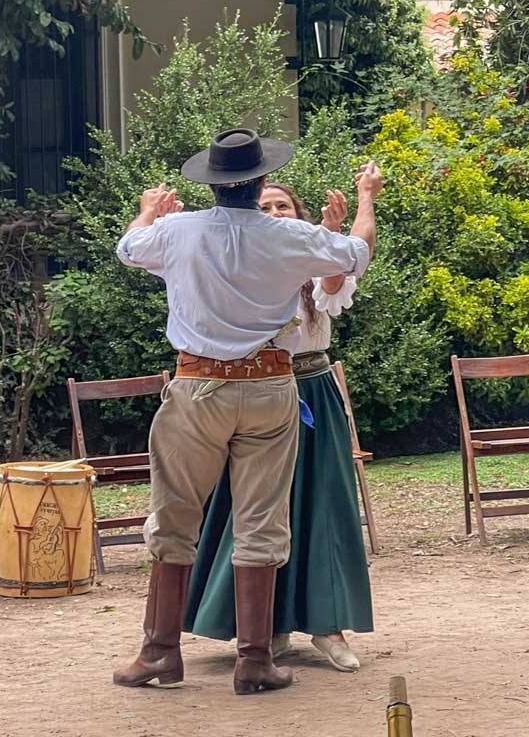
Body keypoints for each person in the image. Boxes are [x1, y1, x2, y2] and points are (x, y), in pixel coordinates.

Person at [112, 128, 380, 695]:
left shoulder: (178, 231)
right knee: (261, 520)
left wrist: (148, 211)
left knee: (175, 514)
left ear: (212, 183)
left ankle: (160, 651)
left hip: (198, 385)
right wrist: (365, 201)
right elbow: (358, 252)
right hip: (269, 385)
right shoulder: (290, 235)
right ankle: (254, 660)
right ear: (260, 183)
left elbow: (129, 248)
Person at [183, 177, 379, 673]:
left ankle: (327, 626)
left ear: (298, 213)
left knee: (323, 504)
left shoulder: (309, 253)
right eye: (266, 205)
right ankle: (266, 628)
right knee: (258, 510)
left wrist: (358, 206)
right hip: (259, 390)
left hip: (312, 390)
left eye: (283, 206)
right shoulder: (242, 263)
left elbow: (337, 278)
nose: (275, 212)